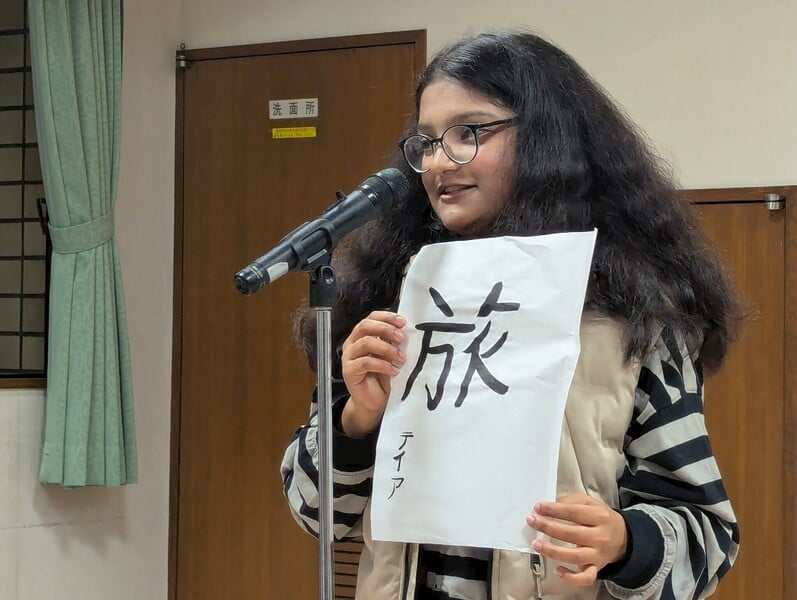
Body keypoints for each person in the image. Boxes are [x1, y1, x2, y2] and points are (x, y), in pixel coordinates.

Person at [281, 30, 742, 600]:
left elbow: (706, 539)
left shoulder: (631, 318)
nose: (439, 162)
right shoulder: (389, 300)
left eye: (469, 133)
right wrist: (356, 419)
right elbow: (313, 512)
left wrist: (624, 543)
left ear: (545, 139)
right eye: (427, 141)